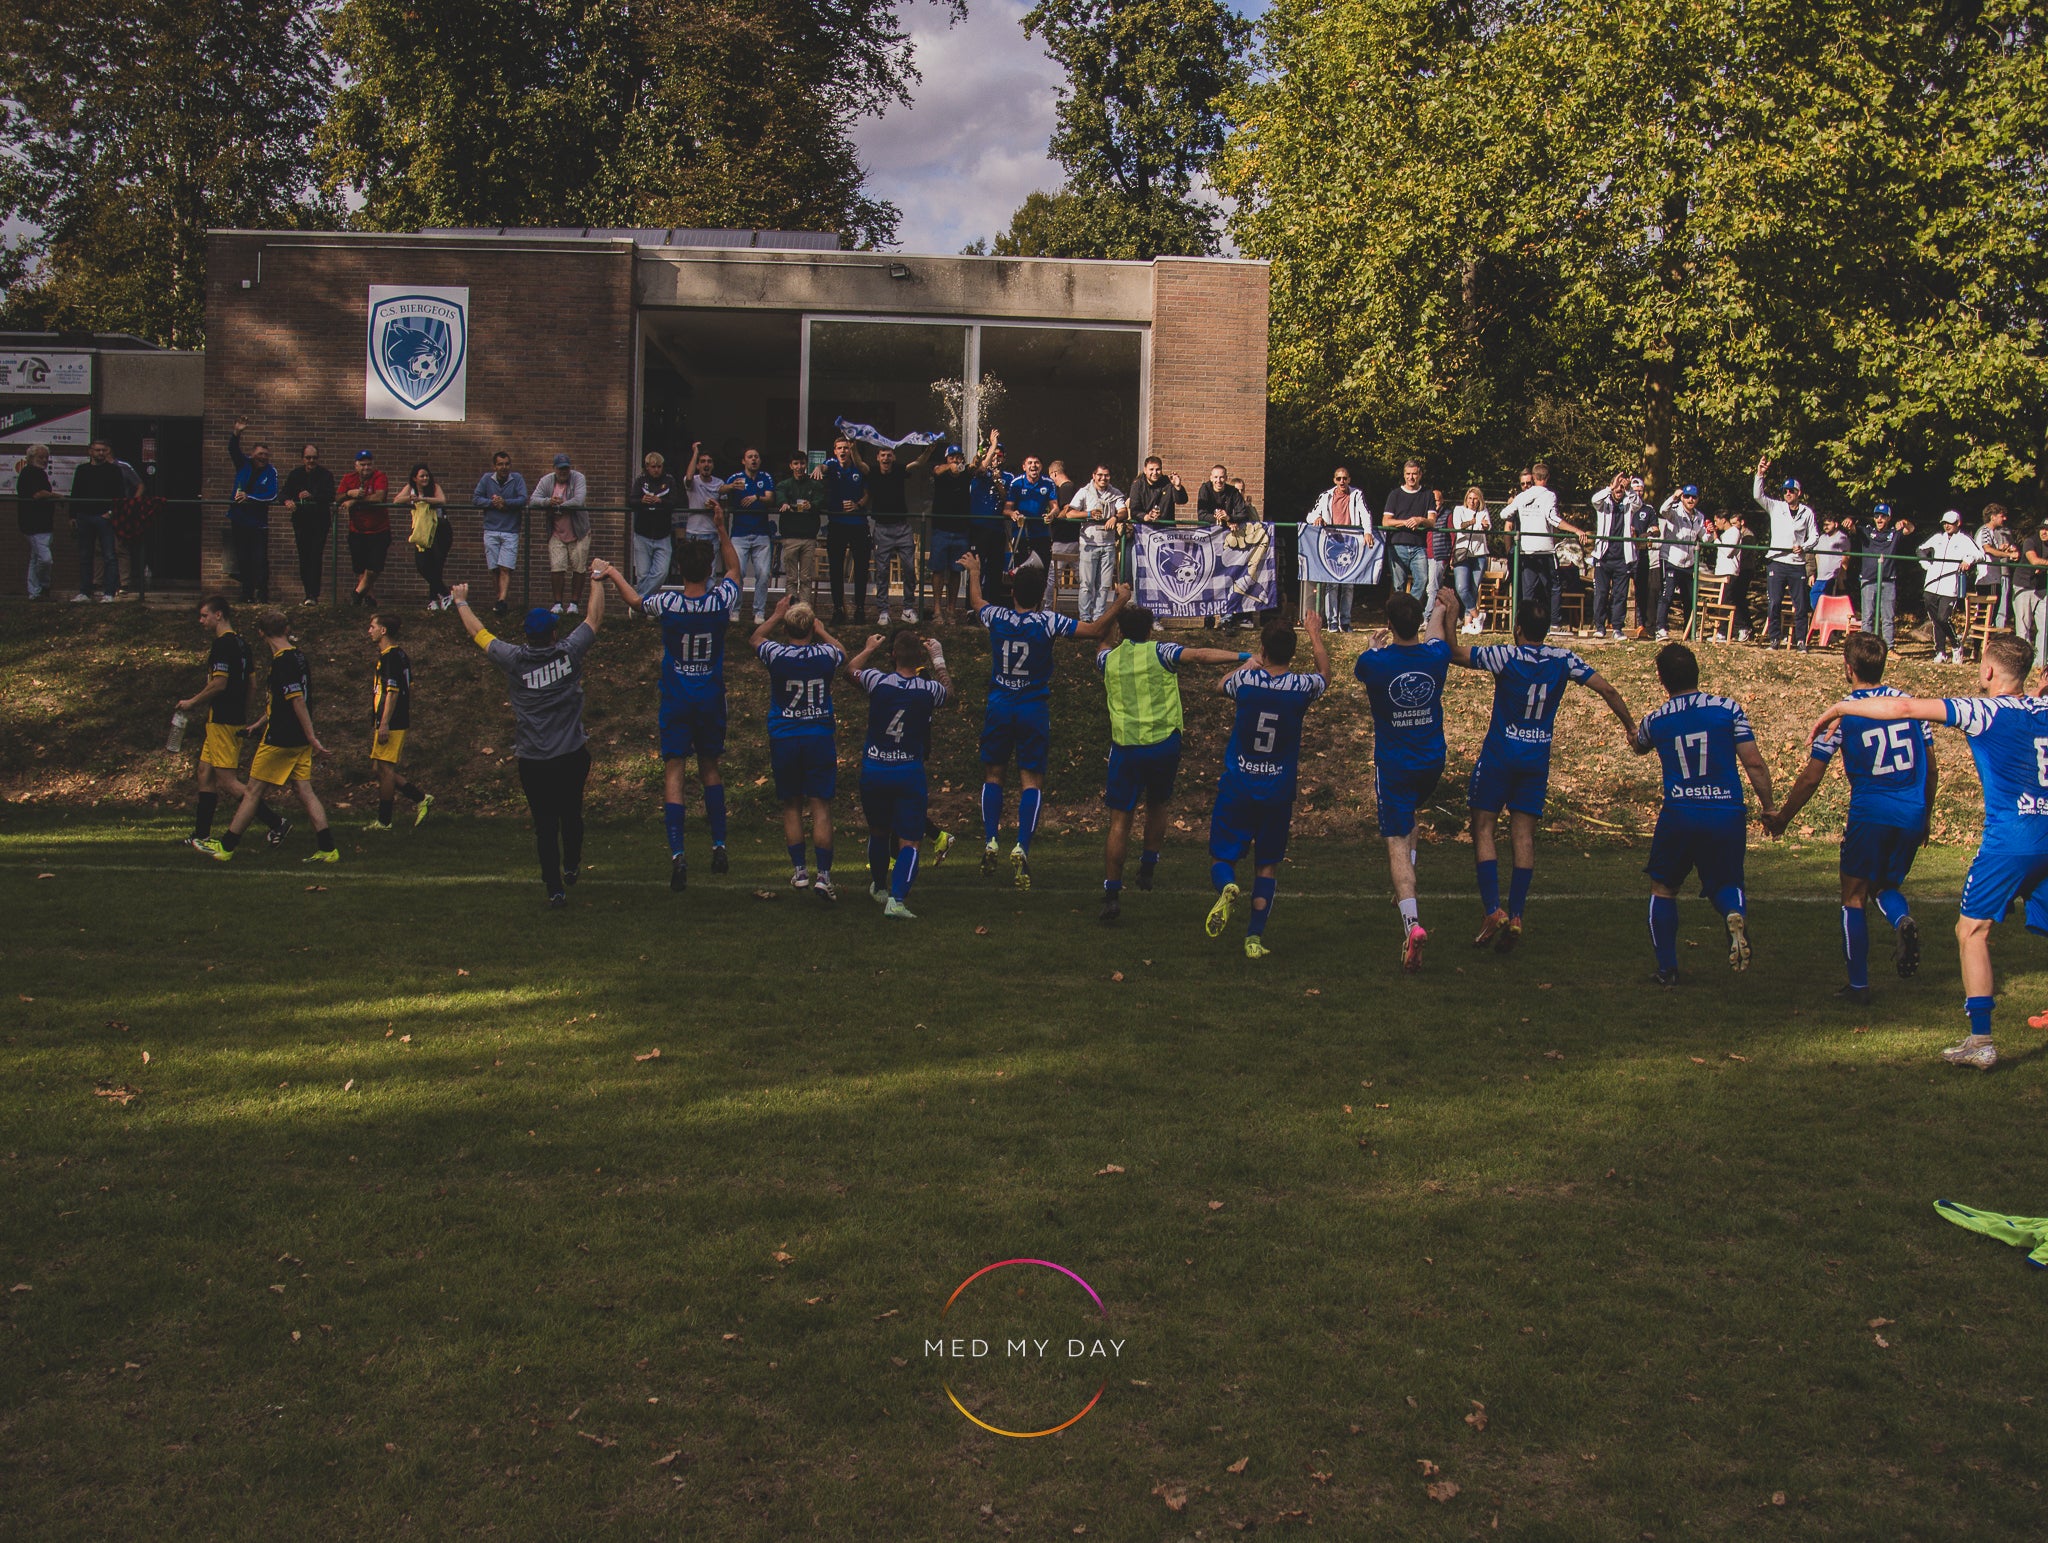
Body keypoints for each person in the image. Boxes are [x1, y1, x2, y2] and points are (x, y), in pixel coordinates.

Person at [1809, 633, 2048, 1071]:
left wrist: (1843, 707)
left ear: (1989, 670)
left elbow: (1903, 708)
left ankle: (1980, 1040)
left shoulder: (1983, 711)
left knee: (1971, 932)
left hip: (2011, 839)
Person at [1448, 596, 1636, 951]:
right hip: (1535, 759)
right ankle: (1517, 915)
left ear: (1517, 628)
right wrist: (1629, 726)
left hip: (1500, 755)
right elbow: (1607, 689)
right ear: (1546, 630)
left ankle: (1493, 909)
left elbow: (1454, 653)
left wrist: (1451, 615)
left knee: (1483, 827)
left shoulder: (1505, 655)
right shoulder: (1564, 659)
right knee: (1524, 836)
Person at [1763, 633, 1931, 1000]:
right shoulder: (1911, 705)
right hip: (1912, 810)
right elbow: (1930, 766)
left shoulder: (1843, 712)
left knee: (1853, 895)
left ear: (1848, 668)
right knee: (1884, 885)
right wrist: (1927, 815)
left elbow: (1812, 776)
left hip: (1871, 812)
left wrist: (1784, 817)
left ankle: (1858, 985)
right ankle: (1901, 919)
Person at [962, 547, 1125, 887]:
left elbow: (976, 601)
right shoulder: (1048, 621)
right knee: (1031, 781)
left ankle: (991, 839)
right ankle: (1022, 846)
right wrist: (1120, 601)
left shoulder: (997, 617)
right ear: (1040, 597)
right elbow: (1096, 630)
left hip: (1000, 704)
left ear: (1012, 593)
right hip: (1032, 707)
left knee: (993, 774)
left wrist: (975, 572)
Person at [597, 509, 741, 888]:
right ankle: (719, 844)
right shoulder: (720, 602)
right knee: (710, 767)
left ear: (679, 570)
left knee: (675, 769)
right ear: (708, 570)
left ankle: (678, 854)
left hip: (677, 698)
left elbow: (635, 602)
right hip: (710, 697)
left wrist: (612, 573)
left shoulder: (669, 604)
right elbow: (735, 570)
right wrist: (721, 528)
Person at [452, 575, 607, 905]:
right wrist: (596, 578)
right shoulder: (569, 652)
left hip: (534, 760)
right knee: (571, 814)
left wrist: (461, 602)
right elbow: (593, 619)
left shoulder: (514, 659)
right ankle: (572, 864)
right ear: (554, 634)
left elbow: (480, 634)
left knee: (545, 826)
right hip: (571, 754)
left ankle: (554, 888)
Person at [1634, 643, 1776, 982]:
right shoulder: (1728, 709)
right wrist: (1769, 806)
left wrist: (1633, 734)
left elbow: (1639, 744)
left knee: (1663, 887)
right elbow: (1754, 763)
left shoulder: (1656, 719)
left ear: (1662, 679)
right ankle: (1733, 913)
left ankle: (1667, 969)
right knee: (1726, 882)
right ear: (1697, 672)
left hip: (1680, 813)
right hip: (1725, 811)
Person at [1094, 599, 1240, 921]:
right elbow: (1200, 655)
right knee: (1158, 804)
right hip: (1163, 744)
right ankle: (1148, 866)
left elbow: (1100, 639)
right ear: (1150, 630)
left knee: (1120, 821)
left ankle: (1112, 893)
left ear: (1121, 632)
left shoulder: (1107, 659)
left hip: (1126, 747)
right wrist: (1243, 657)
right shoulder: (1161, 652)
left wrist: (1116, 603)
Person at [1204, 612, 1332, 958]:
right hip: (1277, 789)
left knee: (1222, 856)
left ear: (1262, 649)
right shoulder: (1301, 688)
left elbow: (1219, 685)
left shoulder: (1246, 682)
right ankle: (1254, 938)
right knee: (1267, 865)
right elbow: (1325, 675)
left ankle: (1227, 887)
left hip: (1239, 785)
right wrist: (1315, 634)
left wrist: (1249, 663)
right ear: (1292, 653)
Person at [1356, 589, 1456, 969]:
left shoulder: (1374, 663)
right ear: (1418, 623)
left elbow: (1366, 666)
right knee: (1410, 815)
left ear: (1388, 624)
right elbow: (1436, 636)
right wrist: (1441, 609)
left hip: (1395, 765)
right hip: (1431, 762)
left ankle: (1411, 925)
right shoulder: (1436, 656)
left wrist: (1373, 647)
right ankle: (1406, 884)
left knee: (1396, 839)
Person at [192, 609, 340, 864]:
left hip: (281, 739)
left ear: (261, 633)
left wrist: (312, 737)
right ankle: (328, 849)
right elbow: (281, 702)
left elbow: (297, 701)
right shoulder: (298, 656)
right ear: (286, 629)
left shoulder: (283, 662)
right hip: (298, 739)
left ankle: (226, 847)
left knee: (252, 792)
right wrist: (259, 723)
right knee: (305, 790)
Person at [846, 626, 954, 918]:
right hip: (908, 771)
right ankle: (897, 899)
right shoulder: (928, 689)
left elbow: (850, 670)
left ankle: (879, 887)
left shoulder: (877, 681)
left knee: (879, 831)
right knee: (910, 839)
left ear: (893, 654)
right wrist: (939, 659)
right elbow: (949, 692)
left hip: (875, 768)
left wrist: (869, 648)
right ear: (919, 658)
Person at [752, 596, 848, 898]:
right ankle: (824, 875)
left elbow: (755, 639)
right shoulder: (825, 654)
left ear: (786, 628)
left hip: (785, 735)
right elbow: (842, 652)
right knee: (820, 806)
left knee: (791, 804)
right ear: (811, 627)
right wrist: (821, 630)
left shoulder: (777, 654)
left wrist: (776, 615)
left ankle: (800, 871)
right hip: (818, 735)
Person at [175, 597, 285, 849]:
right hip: (227, 719)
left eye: (204, 615)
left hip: (223, 720)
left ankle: (276, 822)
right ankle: (201, 834)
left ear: (219, 615)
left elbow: (219, 683)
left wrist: (192, 702)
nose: (201, 621)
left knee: (227, 781)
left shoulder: (222, 645)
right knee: (204, 773)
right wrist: (243, 713)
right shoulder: (243, 644)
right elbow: (252, 685)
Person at [364, 612, 435, 831]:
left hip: (392, 721)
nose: (369, 631)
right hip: (392, 719)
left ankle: (384, 821)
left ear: (383, 630)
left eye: (372, 626)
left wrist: (385, 722)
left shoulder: (390, 658)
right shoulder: (400, 655)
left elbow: (393, 692)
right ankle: (420, 798)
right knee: (378, 768)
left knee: (385, 770)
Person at [1498, 462, 1585, 628]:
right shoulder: (1549, 495)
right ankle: (1555, 624)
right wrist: (1576, 530)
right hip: (1545, 550)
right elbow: (1553, 518)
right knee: (1554, 587)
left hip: (1527, 551)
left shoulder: (1521, 496)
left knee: (1528, 590)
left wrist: (1519, 503)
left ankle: (1525, 625)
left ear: (1533, 477)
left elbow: (1503, 514)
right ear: (1547, 477)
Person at [1752, 456, 1818, 648]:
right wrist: (1760, 474)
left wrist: (1804, 546)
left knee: (1801, 605)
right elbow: (1758, 496)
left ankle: (1800, 640)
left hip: (1797, 564)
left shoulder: (1807, 512)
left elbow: (1815, 536)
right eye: (1785, 491)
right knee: (1774, 603)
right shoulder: (1776, 507)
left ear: (1799, 493)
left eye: (1791, 491)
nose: (1788, 494)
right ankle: (1774, 639)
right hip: (1777, 561)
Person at [866, 441, 933, 625]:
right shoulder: (873, 472)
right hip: (882, 528)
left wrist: (929, 450)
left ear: (893, 457)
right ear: (878, 457)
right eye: (883, 455)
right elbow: (859, 464)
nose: (886, 458)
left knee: (910, 569)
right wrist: (853, 446)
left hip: (902, 527)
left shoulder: (898, 470)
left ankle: (908, 609)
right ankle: (883, 612)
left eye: (889, 455)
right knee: (882, 572)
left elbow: (918, 463)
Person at [1305, 468, 1375, 631]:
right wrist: (1317, 518)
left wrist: (1367, 532)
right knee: (1332, 584)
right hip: (1332, 543)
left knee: (1349, 585)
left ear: (1349, 479)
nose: (1342, 481)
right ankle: (1332, 622)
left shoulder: (1357, 494)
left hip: (1351, 543)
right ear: (1334, 480)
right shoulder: (1325, 496)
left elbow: (1365, 514)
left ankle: (1345, 621)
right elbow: (1310, 515)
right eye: (1338, 479)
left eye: (1344, 478)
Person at [818, 435, 871, 624]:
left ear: (851, 450)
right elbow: (823, 468)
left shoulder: (859, 467)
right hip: (837, 524)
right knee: (836, 568)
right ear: (835, 451)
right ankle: (838, 609)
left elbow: (867, 494)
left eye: (846, 448)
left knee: (861, 569)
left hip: (858, 524)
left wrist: (858, 505)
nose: (843, 451)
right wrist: (817, 468)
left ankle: (860, 609)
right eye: (839, 448)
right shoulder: (832, 465)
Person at [724, 448, 779, 622]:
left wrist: (757, 497)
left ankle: (759, 612)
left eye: (756, 457)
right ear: (743, 461)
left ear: (760, 461)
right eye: (750, 457)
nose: (753, 459)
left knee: (763, 574)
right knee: (737, 573)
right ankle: (735, 610)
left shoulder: (765, 477)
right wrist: (731, 487)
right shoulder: (736, 477)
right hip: (739, 534)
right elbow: (720, 490)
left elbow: (770, 498)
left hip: (761, 533)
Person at [1069, 463, 1128, 624]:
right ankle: (1085, 619)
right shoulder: (1084, 491)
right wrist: (1088, 514)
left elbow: (1124, 511)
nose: (1103, 478)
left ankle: (1098, 618)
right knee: (1086, 584)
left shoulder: (1115, 493)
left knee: (1104, 585)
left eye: (1106, 475)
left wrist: (1115, 517)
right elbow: (1070, 513)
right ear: (1094, 476)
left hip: (1108, 544)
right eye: (1100, 475)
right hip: (1088, 544)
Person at [279, 444, 336, 606]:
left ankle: (313, 594)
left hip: (319, 522)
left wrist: (312, 496)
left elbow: (330, 495)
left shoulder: (325, 475)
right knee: (304, 557)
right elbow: (283, 493)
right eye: (308, 458)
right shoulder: (295, 474)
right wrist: (287, 501)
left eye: (314, 458)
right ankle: (307, 593)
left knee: (315, 556)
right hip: (301, 522)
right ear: (302, 458)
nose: (311, 461)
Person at [533, 453, 590, 615]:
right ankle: (557, 603)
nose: (563, 471)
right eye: (560, 468)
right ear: (554, 468)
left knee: (579, 567)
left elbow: (579, 500)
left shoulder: (578, 478)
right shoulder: (546, 481)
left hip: (579, 531)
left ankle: (574, 604)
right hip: (556, 532)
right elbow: (534, 499)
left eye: (566, 468)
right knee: (557, 566)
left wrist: (560, 505)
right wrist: (548, 501)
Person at [226, 423, 277, 604]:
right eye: (260, 454)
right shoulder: (243, 464)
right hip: (239, 519)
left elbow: (271, 494)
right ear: (252, 454)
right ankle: (246, 594)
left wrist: (250, 497)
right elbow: (233, 450)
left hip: (258, 523)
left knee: (260, 560)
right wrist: (237, 433)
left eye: (266, 455)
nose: (263, 457)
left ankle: (262, 595)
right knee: (243, 558)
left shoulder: (271, 471)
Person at [473, 451, 529, 616]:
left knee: (506, 567)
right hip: (491, 529)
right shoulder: (486, 479)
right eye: (500, 464)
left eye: (506, 464)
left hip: (510, 530)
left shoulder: (517, 479)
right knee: (494, 568)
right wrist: (492, 503)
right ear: (494, 466)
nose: (504, 467)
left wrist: (506, 503)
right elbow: (476, 498)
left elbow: (523, 499)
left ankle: (502, 600)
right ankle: (498, 600)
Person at [1918, 509, 1979, 663]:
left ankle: (1956, 645)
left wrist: (1968, 560)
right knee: (1935, 620)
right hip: (1931, 584)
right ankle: (1940, 651)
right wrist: (1927, 565)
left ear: (1958, 523)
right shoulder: (1938, 537)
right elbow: (1920, 549)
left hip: (1950, 585)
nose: (1947, 526)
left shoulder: (1965, 539)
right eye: (1945, 523)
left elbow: (1979, 554)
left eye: (1950, 523)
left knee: (1943, 618)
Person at [1589, 472, 1640, 640]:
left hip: (1622, 557)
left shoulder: (1628, 503)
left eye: (1621, 487)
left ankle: (1617, 628)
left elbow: (1638, 503)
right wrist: (1611, 486)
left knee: (1620, 595)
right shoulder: (1603, 503)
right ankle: (1600, 626)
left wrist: (1629, 489)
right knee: (1601, 593)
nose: (1619, 490)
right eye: (1616, 487)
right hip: (1603, 556)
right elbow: (1594, 500)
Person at [337, 449, 391, 607]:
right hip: (356, 529)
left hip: (379, 529)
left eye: (369, 464)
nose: (366, 467)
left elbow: (379, 497)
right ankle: (369, 599)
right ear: (356, 465)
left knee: (374, 567)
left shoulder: (380, 477)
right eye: (362, 464)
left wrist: (355, 501)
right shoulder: (349, 478)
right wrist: (349, 493)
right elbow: (338, 497)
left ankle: (357, 593)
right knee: (360, 568)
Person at [927, 445, 974, 626]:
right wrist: (950, 467)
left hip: (961, 530)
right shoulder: (941, 473)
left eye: (958, 457)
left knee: (956, 571)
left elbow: (976, 466)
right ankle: (937, 609)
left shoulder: (966, 474)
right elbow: (936, 470)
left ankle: (951, 609)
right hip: (941, 529)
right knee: (938, 570)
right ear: (947, 459)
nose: (955, 460)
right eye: (952, 457)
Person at [1856, 503, 1915, 645]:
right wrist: (1849, 522)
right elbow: (1852, 529)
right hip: (1868, 580)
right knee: (1867, 617)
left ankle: (1889, 646)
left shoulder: (1894, 533)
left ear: (1889, 518)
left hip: (1888, 580)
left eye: (1883, 516)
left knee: (1888, 617)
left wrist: (1904, 522)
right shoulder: (1866, 531)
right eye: (1877, 516)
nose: (1879, 519)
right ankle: (1865, 647)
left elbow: (1911, 529)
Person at [1654, 485, 1707, 639]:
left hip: (1689, 563)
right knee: (1667, 595)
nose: (1690, 500)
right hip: (1671, 560)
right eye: (1687, 496)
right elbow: (1663, 510)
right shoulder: (1675, 510)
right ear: (1682, 497)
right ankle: (1660, 629)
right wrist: (1674, 497)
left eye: (1694, 497)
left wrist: (1710, 531)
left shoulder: (1700, 516)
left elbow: (1705, 538)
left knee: (1689, 598)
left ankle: (1689, 631)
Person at [966, 434, 1012, 608]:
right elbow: (979, 469)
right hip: (978, 528)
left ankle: (992, 608)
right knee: (976, 569)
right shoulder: (980, 472)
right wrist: (991, 446)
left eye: (999, 456)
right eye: (993, 455)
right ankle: (972, 609)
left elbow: (1007, 499)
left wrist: (998, 481)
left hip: (997, 529)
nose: (995, 459)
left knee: (995, 570)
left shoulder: (1008, 477)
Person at [1380, 460, 1435, 601]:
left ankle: (1410, 608)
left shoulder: (1428, 494)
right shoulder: (1395, 494)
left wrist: (1420, 520)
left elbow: (1432, 521)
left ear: (1420, 475)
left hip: (1419, 546)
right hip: (1397, 545)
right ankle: (1400, 612)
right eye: (1408, 474)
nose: (1411, 477)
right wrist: (1404, 522)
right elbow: (1386, 521)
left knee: (1422, 580)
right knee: (1398, 586)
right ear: (1404, 475)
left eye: (1414, 474)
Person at [402, 462, 454, 610]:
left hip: (439, 529)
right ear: (415, 478)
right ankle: (445, 593)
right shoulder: (410, 488)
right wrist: (410, 498)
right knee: (422, 565)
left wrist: (423, 499)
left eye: (427, 475)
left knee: (436, 564)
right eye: (422, 476)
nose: (425, 478)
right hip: (422, 530)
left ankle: (433, 600)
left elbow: (442, 500)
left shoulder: (435, 487)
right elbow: (397, 499)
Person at [773, 452, 821, 605]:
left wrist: (811, 505)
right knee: (791, 578)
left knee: (806, 578)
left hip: (808, 537)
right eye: (795, 463)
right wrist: (784, 503)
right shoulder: (784, 485)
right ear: (791, 466)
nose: (799, 467)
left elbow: (820, 500)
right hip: (790, 536)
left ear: (806, 464)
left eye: (802, 463)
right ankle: (791, 610)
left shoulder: (815, 485)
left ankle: (805, 609)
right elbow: (779, 496)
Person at [1006, 452, 1060, 577]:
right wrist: (1013, 513)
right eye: (1030, 463)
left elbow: (1055, 508)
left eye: (1036, 463)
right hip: (1021, 535)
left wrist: (1051, 514)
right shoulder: (1016, 483)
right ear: (1024, 467)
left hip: (1042, 534)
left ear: (1041, 466)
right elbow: (1006, 509)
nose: (1033, 465)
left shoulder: (1048, 483)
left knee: (1042, 572)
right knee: (1020, 573)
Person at [16, 441, 56, 598]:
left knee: (35, 558)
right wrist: (57, 496)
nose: (45, 460)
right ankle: (44, 585)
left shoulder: (40, 473)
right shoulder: (30, 473)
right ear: (31, 457)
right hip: (33, 523)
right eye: (41, 457)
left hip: (43, 522)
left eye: (46, 457)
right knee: (45, 559)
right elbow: (38, 494)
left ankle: (34, 592)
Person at [1450, 487, 1491, 632]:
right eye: (1470, 498)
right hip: (1463, 553)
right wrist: (1473, 522)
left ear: (1479, 500)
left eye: (1475, 499)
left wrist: (1482, 525)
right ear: (1466, 499)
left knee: (1473, 588)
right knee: (1461, 588)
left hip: (1479, 554)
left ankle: (1468, 623)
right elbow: (1459, 526)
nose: (1472, 502)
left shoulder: (1483, 511)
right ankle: (1478, 615)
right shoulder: (1459, 510)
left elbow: (1487, 527)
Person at [682, 443, 725, 575]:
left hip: (711, 532)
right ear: (698, 465)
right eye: (703, 461)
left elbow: (725, 508)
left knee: (710, 573)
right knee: (692, 572)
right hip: (693, 533)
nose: (706, 464)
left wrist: (716, 506)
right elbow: (689, 478)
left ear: (713, 465)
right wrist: (695, 452)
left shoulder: (720, 483)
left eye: (709, 461)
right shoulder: (693, 480)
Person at [1975, 503, 2018, 630]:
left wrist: (2001, 549)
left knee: (1987, 615)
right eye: (2001, 516)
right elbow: (1987, 549)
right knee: (1988, 615)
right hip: (1989, 579)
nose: (2004, 518)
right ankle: (1981, 641)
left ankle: (1981, 641)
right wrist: (2008, 555)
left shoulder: (1991, 532)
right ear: (1992, 517)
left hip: (1992, 578)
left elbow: (1990, 549)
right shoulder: (1985, 531)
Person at [2017, 516, 2048, 675]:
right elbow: (2034, 560)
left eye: (2047, 530)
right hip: (2024, 585)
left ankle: (2040, 663)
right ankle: (2022, 664)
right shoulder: (2030, 541)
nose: (2044, 532)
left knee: (2045, 626)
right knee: (2024, 627)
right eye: (2042, 529)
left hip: (2041, 588)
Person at [1810, 513, 1849, 616]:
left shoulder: (1842, 538)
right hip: (1820, 578)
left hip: (1832, 578)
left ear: (1835, 524)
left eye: (1828, 524)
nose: (1825, 527)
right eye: (1824, 524)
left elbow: (1846, 557)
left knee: (1829, 605)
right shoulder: (1822, 538)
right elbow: (1816, 555)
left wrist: (1841, 577)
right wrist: (1814, 573)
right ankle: (1819, 621)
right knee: (1814, 600)